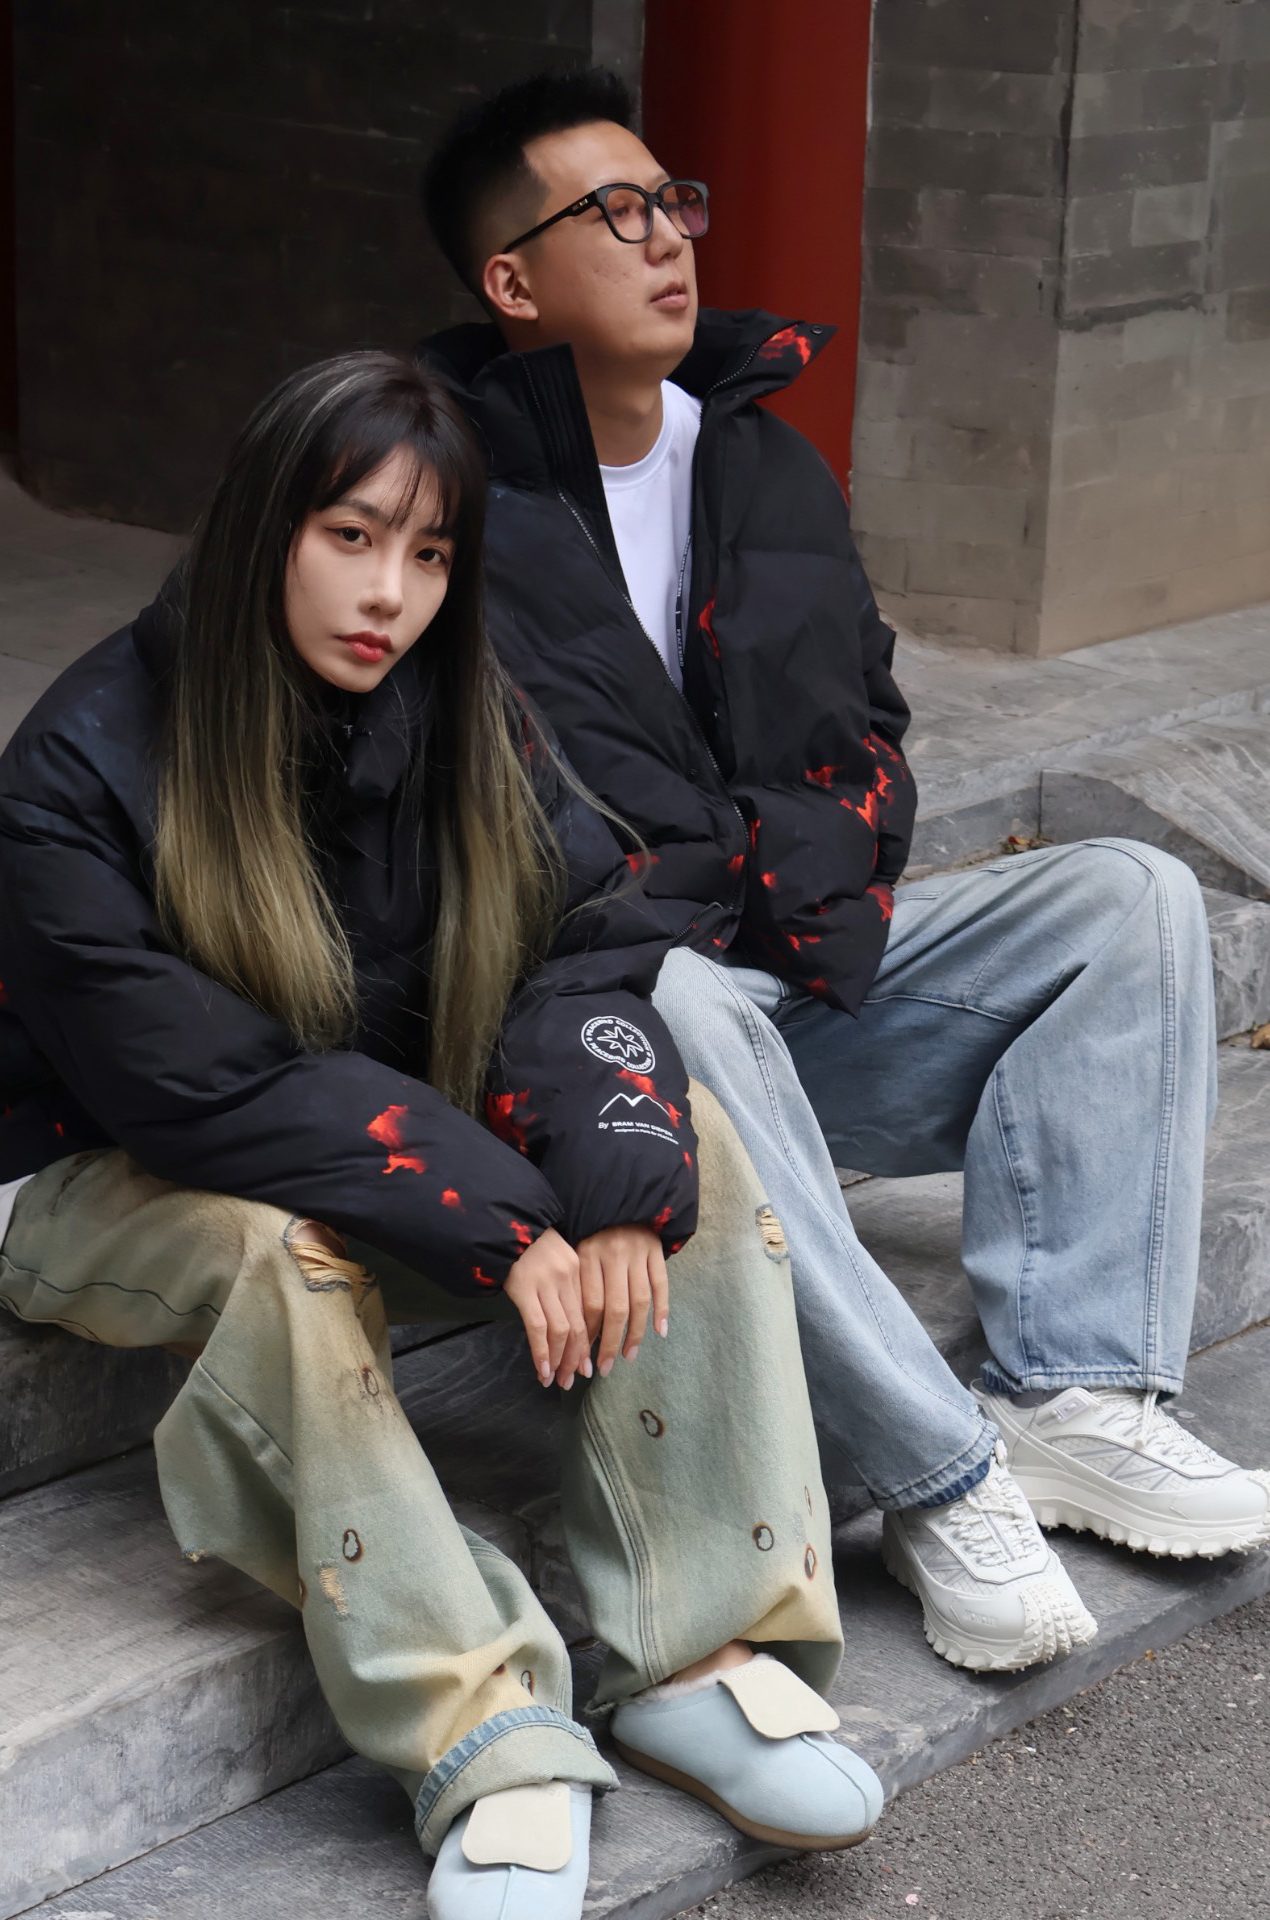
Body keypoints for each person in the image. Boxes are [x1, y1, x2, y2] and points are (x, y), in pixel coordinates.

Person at [0, 355, 882, 1920]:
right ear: (262, 528)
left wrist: (605, 1189)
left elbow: (575, 950)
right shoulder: (81, 763)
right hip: (79, 1161)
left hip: (364, 1130)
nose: (390, 595)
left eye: (429, 554)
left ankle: (703, 1649)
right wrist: (501, 1222)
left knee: (674, 1139)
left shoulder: (462, 706)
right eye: (351, 536)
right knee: (279, 1256)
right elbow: (190, 1088)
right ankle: (477, 1718)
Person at [417, 69, 1270, 1678]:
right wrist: (704, 891)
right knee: (674, 990)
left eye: (673, 202)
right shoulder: (431, 499)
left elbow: (866, 733)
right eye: (615, 212)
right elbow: (476, 837)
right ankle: (938, 1475)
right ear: (512, 283)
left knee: (1128, 900)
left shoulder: (764, 466)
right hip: (575, 1045)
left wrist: (795, 871)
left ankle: (1077, 1394)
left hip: (775, 987)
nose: (667, 237)